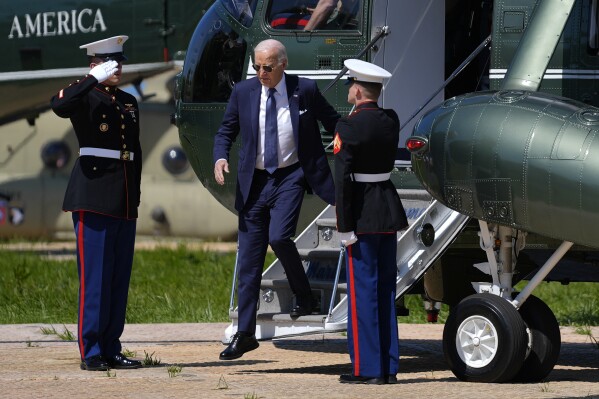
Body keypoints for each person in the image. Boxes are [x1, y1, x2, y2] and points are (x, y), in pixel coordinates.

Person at [214, 39, 340, 360]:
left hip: (291, 175)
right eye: (256, 67)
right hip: (253, 182)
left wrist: (354, 137)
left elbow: (333, 121)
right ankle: (244, 333)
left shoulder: (305, 90)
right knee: (249, 260)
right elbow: (225, 131)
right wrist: (219, 157)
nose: (261, 73)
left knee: (280, 236)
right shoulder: (243, 92)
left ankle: (304, 294)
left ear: (283, 64)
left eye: (267, 67)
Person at [50, 35, 143, 371]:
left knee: (118, 279)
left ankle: (112, 347)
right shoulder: (84, 96)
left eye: (119, 62)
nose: (117, 68)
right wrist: (92, 78)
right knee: (95, 278)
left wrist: (136, 194)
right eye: (109, 63)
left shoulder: (130, 101)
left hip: (123, 198)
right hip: (92, 195)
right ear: (95, 64)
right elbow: (58, 104)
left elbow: (135, 152)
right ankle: (91, 351)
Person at [333, 59, 408, 384]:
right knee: (384, 291)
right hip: (387, 210)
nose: (349, 88)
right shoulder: (390, 120)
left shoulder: (348, 126)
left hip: (362, 215)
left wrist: (343, 225)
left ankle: (367, 369)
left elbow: (343, 180)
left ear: (359, 89)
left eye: (352, 83)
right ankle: (388, 368)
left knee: (363, 294)